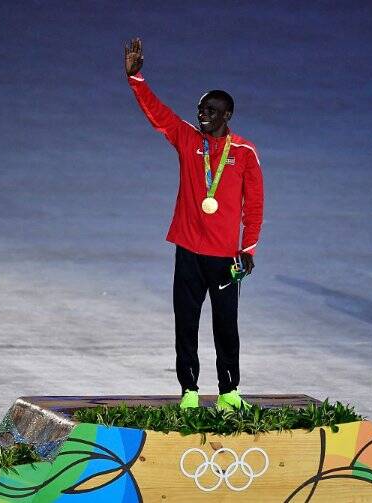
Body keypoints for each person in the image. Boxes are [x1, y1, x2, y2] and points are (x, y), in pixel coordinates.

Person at [124, 38, 264, 410]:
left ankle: (229, 392)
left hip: (223, 257)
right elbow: (158, 114)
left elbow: (256, 204)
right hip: (187, 250)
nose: (203, 115)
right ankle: (188, 390)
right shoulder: (188, 140)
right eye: (201, 109)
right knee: (185, 324)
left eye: (211, 111)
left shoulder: (244, 153)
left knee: (225, 326)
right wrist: (137, 79)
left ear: (227, 115)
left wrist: (247, 249)